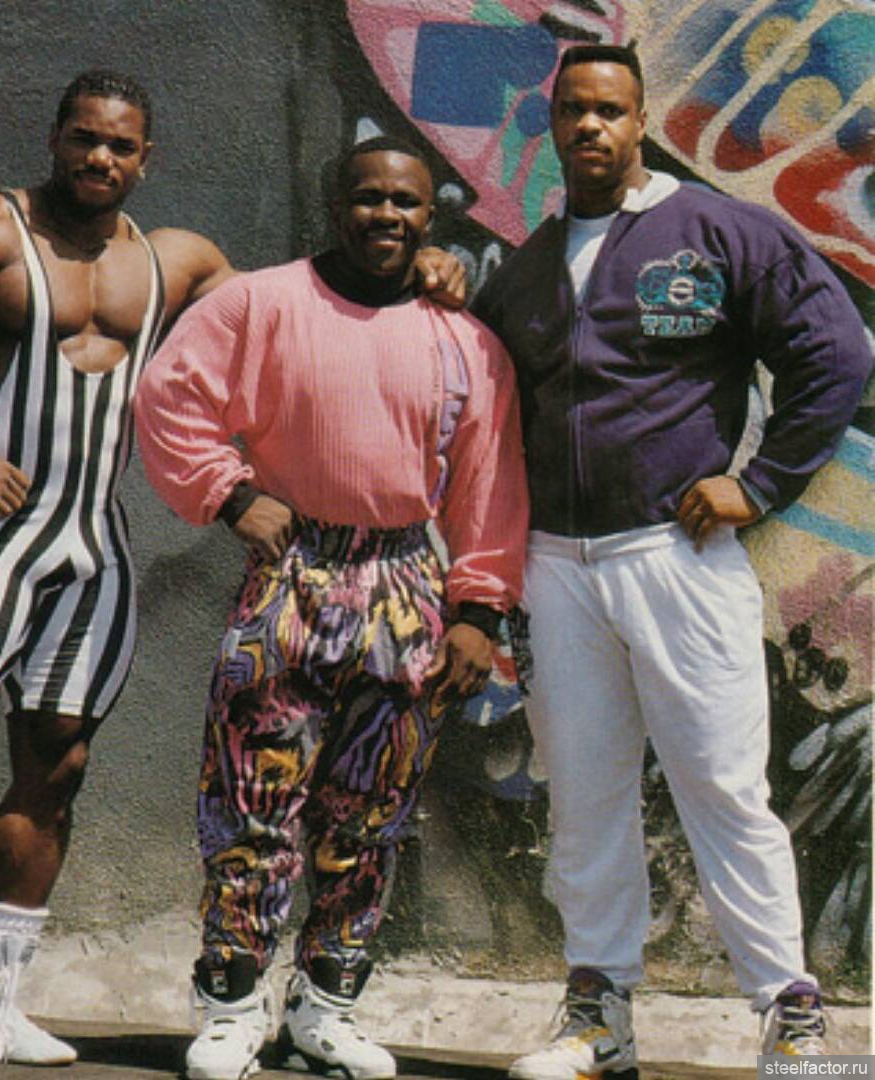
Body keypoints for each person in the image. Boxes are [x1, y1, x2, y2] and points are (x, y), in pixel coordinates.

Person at [0, 69, 468, 1072]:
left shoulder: (179, 263)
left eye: (120, 145)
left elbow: (310, 311)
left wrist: (423, 266)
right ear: (56, 138)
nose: (100, 158)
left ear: (146, 158)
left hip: (94, 546)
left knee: (57, 764)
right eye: (84, 139)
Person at [469, 43, 872, 1077]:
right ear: (552, 122)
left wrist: (761, 483)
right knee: (583, 794)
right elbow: (473, 393)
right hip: (558, 567)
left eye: (610, 110)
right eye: (573, 109)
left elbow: (836, 348)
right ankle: (598, 1017)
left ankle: (791, 1019)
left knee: (723, 787)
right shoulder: (526, 267)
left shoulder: (717, 231)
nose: (590, 126)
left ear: (640, 120)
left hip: (675, 557)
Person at [135, 134, 529, 1080]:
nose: (385, 215)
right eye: (368, 197)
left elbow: (489, 479)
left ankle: (326, 1008)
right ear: (335, 204)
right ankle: (231, 1005)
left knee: (371, 816)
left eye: (405, 202)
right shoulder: (262, 303)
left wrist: (478, 610)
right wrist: (230, 492)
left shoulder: (465, 342)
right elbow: (167, 395)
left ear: (431, 217)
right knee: (252, 800)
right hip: (293, 577)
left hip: (405, 587)